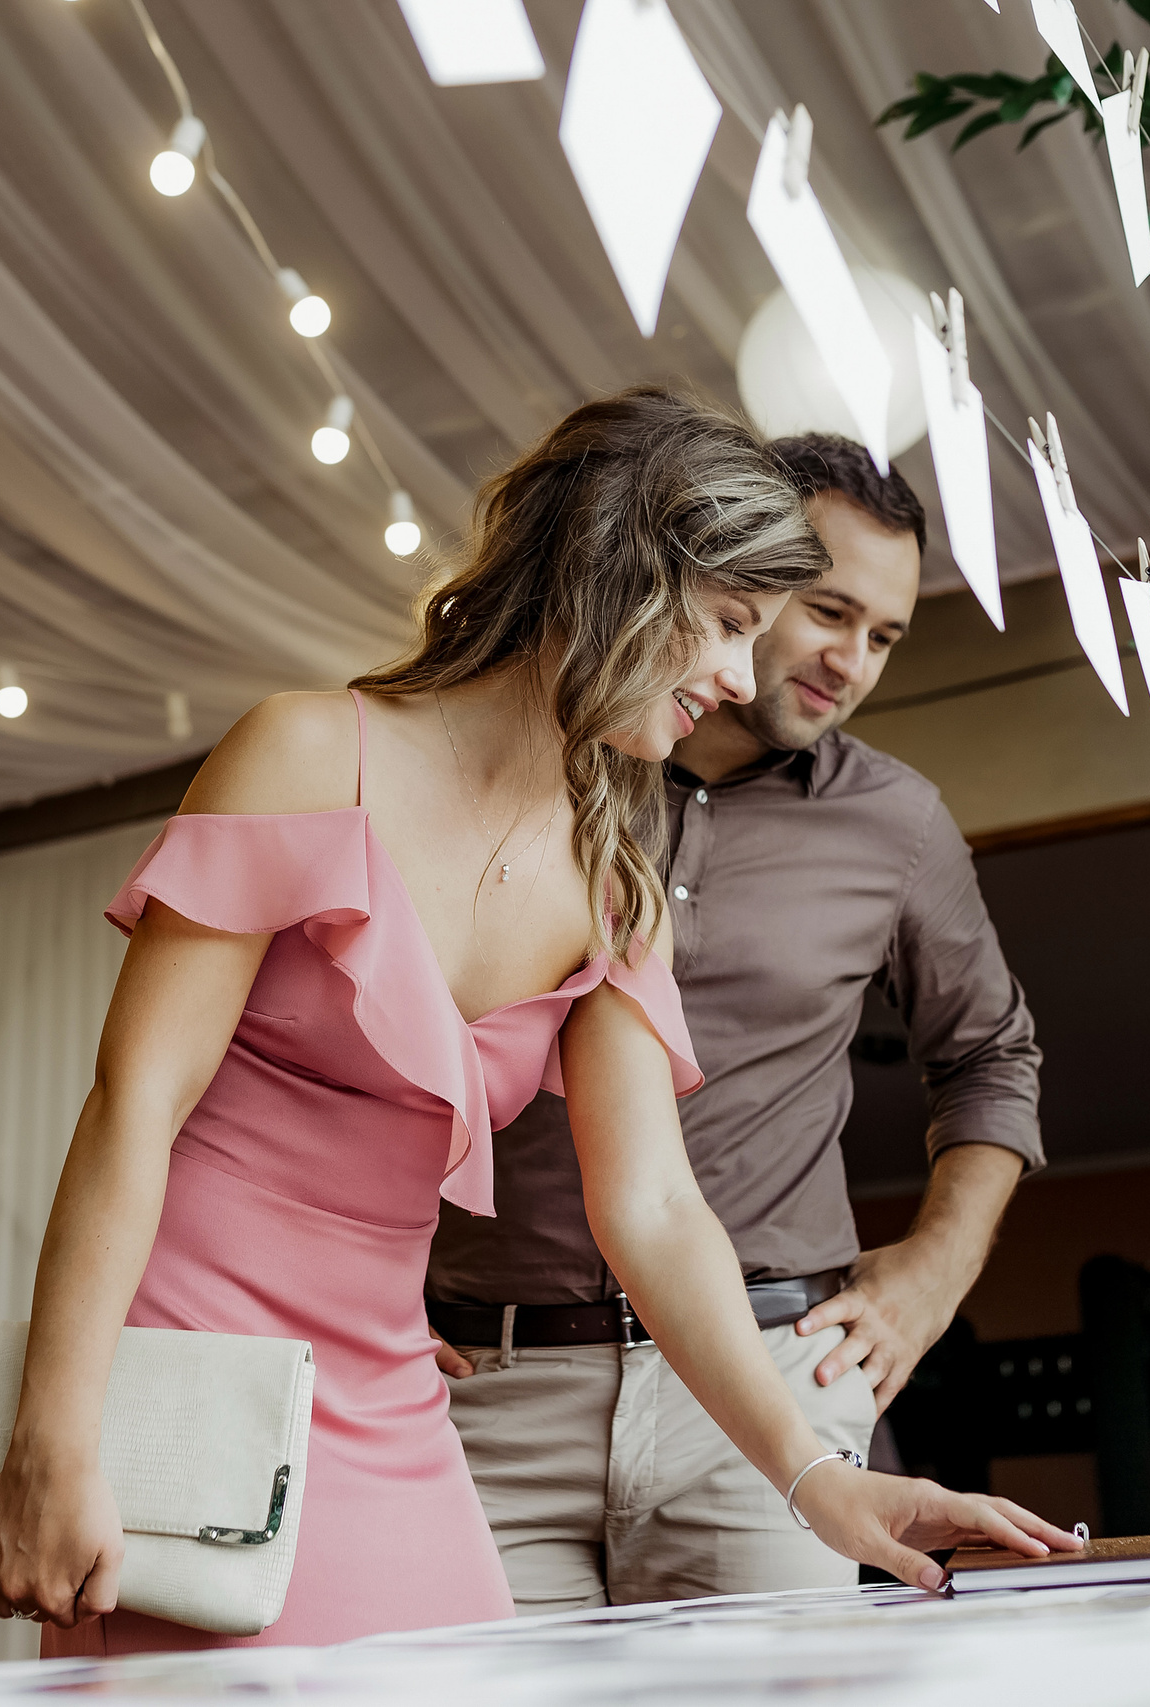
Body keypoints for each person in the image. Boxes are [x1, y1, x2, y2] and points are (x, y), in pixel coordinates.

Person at [0, 391, 1076, 1654]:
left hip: (390, 1395)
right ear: (613, 571)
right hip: (194, 1383)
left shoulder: (615, 876)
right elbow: (133, 1106)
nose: (731, 673)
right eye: (721, 625)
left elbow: (650, 1207)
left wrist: (817, 1479)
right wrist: (54, 1440)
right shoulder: (307, 751)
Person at [427, 434, 1044, 1612]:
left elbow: (989, 1058)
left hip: (769, 1378)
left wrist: (932, 1272)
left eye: (885, 636)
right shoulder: (526, 778)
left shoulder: (898, 824)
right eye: (826, 610)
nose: (852, 660)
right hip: (489, 1388)